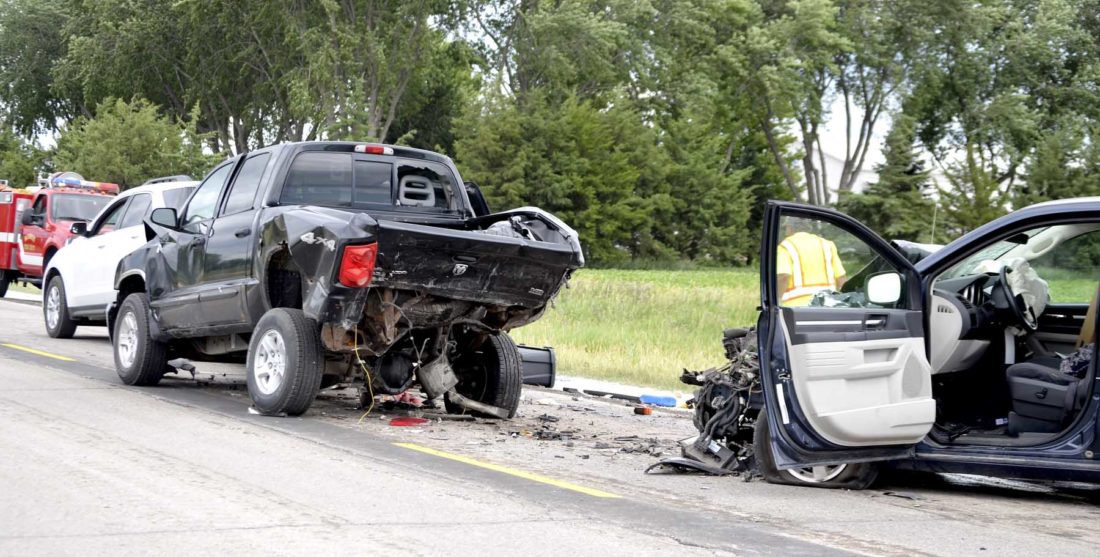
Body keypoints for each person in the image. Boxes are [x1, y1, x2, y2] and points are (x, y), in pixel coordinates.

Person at [776, 226, 847, 306]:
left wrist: (777, 300)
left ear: (790, 228)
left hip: (797, 308)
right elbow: (841, 278)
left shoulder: (785, 246)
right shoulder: (826, 244)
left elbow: (783, 276)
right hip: (827, 305)